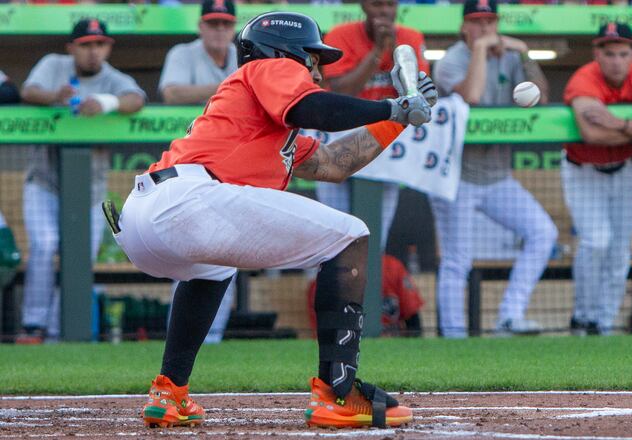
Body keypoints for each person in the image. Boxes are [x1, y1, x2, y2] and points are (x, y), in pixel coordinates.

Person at [109, 11, 433, 429]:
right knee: (352, 235)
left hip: (147, 219)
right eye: (313, 59)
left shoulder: (266, 119)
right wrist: (390, 103)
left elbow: (335, 163)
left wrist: (399, 118)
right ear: (289, 52)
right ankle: (339, 393)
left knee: (214, 266)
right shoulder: (270, 67)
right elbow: (315, 108)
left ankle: (169, 392)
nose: (318, 71)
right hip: (186, 199)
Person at [431, 0, 557, 338]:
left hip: (497, 177)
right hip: (455, 178)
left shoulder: (512, 56)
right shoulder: (449, 61)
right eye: (477, 22)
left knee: (543, 233)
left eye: (490, 21)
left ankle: (509, 315)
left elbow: (541, 97)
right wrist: (483, 49)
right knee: (458, 260)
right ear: (464, 27)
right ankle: (454, 337)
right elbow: (471, 95)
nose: (484, 28)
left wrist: (526, 52)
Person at [16, 19, 145, 344]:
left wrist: (104, 103)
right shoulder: (54, 65)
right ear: (71, 47)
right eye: (85, 44)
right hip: (43, 179)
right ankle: (34, 325)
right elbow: (28, 91)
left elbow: (136, 99)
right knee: (45, 246)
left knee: (80, 257)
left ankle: (62, 332)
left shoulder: (113, 78)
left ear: (108, 47)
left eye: (99, 44)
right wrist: (53, 96)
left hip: (90, 187)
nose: (93, 51)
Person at [563, 22, 632, 336]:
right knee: (596, 241)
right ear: (597, 53)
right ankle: (583, 317)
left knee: (620, 251)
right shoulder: (584, 77)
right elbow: (592, 133)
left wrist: (619, 122)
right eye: (609, 52)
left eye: (623, 53)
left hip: (624, 170)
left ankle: (605, 322)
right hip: (583, 168)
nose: (616, 60)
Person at [316, 0, 431, 249]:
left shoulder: (410, 38)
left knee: (373, 239)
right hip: (338, 142)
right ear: (364, 7)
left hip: (384, 148)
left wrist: (396, 50)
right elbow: (340, 91)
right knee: (329, 237)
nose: (384, 12)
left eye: (389, 5)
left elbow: (416, 95)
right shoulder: (341, 35)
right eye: (377, 5)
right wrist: (378, 52)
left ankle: (366, 285)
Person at [159, 0, 238, 344]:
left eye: (225, 23)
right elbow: (171, 93)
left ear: (233, 26)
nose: (219, 30)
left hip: (232, 164)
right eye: (212, 23)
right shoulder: (183, 53)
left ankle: (214, 338)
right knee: (191, 255)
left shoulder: (245, 53)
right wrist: (233, 91)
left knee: (228, 253)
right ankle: (181, 339)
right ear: (201, 26)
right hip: (190, 166)